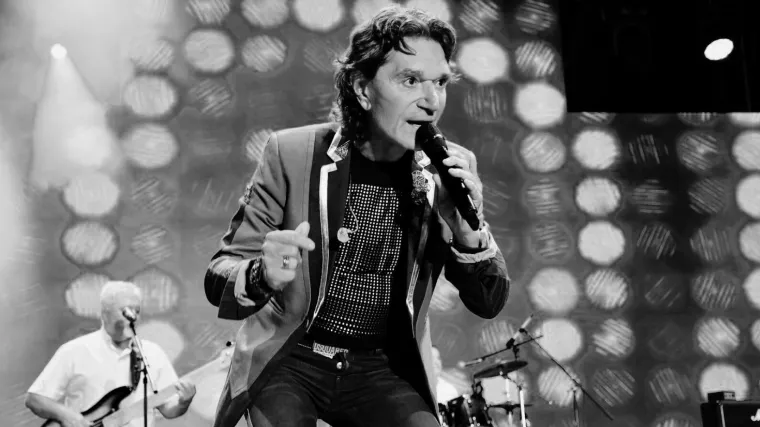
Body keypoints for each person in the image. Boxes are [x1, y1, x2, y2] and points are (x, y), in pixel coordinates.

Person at [204, 5, 510, 427]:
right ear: (363, 89)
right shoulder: (292, 153)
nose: (431, 101)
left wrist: (467, 232)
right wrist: (261, 274)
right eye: (410, 80)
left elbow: (490, 302)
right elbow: (219, 275)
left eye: (440, 82)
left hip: (381, 368)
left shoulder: (447, 169)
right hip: (292, 358)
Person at [25, 281, 197, 427]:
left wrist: (184, 401)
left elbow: (169, 410)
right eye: (126, 311)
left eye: (137, 311)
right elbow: (34, 399)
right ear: (104, 313)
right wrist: (67, 416)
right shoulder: (75, 350)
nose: (133, 317)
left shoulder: (153, 354)